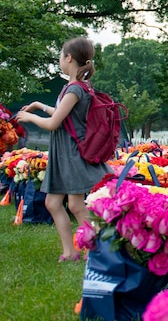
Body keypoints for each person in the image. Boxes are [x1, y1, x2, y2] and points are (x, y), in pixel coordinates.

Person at [15, 37, 111, 261]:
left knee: (76, 205)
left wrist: (28, 116)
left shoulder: (75, 89)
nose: (60, 59)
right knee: (53, 202)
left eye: (61, 55)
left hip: (70, 153)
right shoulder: (75, 87)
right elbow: (62, 115)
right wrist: (39, 105)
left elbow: (53, 123)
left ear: (68, 58)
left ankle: (94, 250)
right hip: (64, 152)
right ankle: (72, 251)